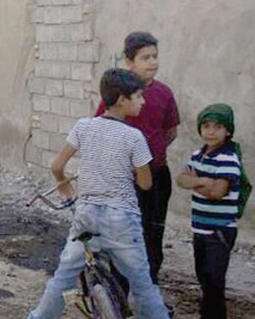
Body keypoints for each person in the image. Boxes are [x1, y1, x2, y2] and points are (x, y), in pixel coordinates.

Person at [28, 68, 169, 319]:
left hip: (87, 215)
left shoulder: (83, 127)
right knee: (142, 285)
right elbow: (146, 184)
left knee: (63, 277)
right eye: (138, 96)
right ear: (123, 100)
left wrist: (63, 186)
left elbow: (56, 166)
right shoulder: (134, 137)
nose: (143, 101)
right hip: (122, 219)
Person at [96, 31, 179, 283]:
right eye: (145, 57)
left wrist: (149, 158)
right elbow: (102, 131)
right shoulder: (117, 96)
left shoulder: (164, 93)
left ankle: (149, 291)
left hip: (156, 177)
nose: (153, 62)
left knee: (152, 236)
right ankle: (119, 296)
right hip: (124, 181)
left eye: (155, 56)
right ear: (130, 62)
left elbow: (170, 131)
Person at [176, 104, 242, 319]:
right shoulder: (199, 154)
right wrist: (204, 180)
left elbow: (217, 192)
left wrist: (195, 182)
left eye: (217, 127)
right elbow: (181, 179)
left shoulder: (229, 158)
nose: (211, 132)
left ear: (228, 131)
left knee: (214, 282)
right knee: (204, 279)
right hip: (200, 229)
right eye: (206, 126)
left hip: (219, 231)